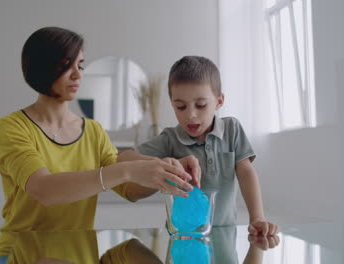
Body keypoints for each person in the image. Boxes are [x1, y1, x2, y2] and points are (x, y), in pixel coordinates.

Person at [0, 27, 200, 264]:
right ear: (41, 67)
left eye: (80, 65)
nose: (77, 75)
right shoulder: (11, 127)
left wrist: (166, 170)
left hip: (77, 254)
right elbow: (44, 189)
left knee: (133, 250)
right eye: (65, 65)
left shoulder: (93, 131)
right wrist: (127, 170)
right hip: (17, 254)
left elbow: (129, 188)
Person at [119, 56, 279, 237]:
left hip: (225, 233)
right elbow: (124, 158)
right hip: (183, 235)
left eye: (201, 105)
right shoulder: (170, 138)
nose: (191, 115)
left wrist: (257, 217)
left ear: (219, 102)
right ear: (172, 104)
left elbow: (246, 172)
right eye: (180, 107)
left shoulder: (231, 129)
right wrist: (165, 165)